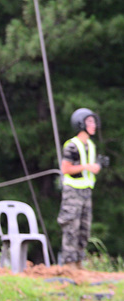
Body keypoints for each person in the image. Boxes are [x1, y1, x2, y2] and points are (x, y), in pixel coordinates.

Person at [58, 107, 104, 269]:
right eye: (89, 121)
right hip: (72, 193)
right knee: (71, 227)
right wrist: (87, 167)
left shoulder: (91, 145)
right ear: (80, 124)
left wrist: (96, 167)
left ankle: (79, 263)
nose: (94, 125)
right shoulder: (72, 145)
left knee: (84, 229)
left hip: (86, 192)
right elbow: (66, 169)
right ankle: (69, 264)